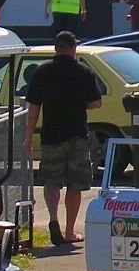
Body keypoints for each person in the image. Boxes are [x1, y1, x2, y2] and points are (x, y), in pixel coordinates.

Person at [23, 32, 103, 245]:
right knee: (75, 184)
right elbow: (97, 102)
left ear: (56, 48)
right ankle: (69, 231)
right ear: (74, 48)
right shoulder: (83, 71)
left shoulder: (43, 71)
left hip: (51, 135)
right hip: (77, 135)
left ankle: (53, 218)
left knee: (51, 180)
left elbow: (34, 107)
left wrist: (29, 136)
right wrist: (81, 103)